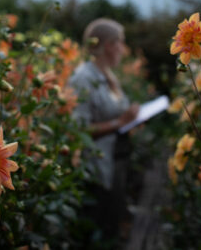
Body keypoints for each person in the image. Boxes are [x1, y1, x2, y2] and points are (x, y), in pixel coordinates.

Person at [68, 18, 139, 243]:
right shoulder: (83, 79)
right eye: (121, 42)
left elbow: (118, 114)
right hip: (96, 169)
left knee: (112, 225)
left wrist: (133, 118)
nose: (123, 49)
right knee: (97, 230)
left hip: (115, 162)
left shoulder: (108, 75)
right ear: (108, 45)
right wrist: (120, 122)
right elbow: (78, 129)